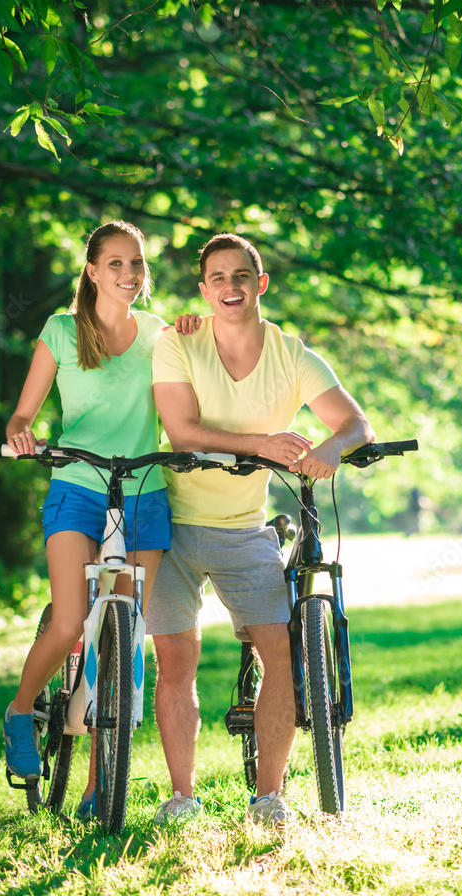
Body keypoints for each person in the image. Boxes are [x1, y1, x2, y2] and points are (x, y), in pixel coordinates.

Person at [147, 232, 376, 826]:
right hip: (169, 522)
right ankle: (182, 797)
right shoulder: (179, 342)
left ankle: (269, 797)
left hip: (243, 530)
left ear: (260, 283)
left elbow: (356, 424)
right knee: (177, 661)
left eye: (240, 277)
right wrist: (263, 445)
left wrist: (329, 446)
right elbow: (183, 433)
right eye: (217, 278)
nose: (229, 287)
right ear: (204, 289)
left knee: (282, 653)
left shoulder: (292, 355)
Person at [3, 220, 197, 820]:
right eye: (114, 263)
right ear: (91, 271)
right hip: (77, 489)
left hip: (144, 492)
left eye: (136, 264)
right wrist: (21, 434)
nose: (127, 274)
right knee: (67, 625)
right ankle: (19, 710)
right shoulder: (61, 332)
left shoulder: (163, 335)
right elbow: (22, 415)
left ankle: (98, 783)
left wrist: (195, 330)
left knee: (124, 641)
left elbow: (201, 372)